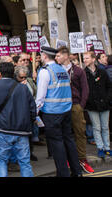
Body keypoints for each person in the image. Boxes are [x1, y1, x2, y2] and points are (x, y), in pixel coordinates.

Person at [35, 46, 82, 177]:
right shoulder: (62, 69)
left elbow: (40, 97)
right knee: (69, 141)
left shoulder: (45, 71)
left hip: (52, 113)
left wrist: (35, 112)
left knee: (57, 144)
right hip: (66, 111)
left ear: (44, 56)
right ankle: (77, 172)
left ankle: (63, 173)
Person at [0, 62, 36, 177]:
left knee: (1, 161)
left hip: (2, 129)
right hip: (22, 131)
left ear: (0, 74)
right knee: (24, 162)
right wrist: (30, 121)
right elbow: (33, 109)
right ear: (13, 74)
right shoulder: (23, 88)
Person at [55, 47, 94, 173]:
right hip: (61, 105)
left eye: (58, 56)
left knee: (79, 132)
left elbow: (85, 89)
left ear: (66, 56)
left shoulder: (78, 71)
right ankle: (68, 158)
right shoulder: (56, 70)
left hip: (75, 105)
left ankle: (82, 159)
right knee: (65, 133)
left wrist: (81, 105)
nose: (56, 58)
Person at [83, 51, 112, 158]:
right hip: (92, 106)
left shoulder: (102, 71)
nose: (84, 60)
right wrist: (87, 101)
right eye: (84, 58)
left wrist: (107, 99)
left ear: (93, 59)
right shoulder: (83, 73)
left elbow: (109, 86)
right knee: (96, 127)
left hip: (104, 104)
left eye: (87, 58)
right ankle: (100, 148)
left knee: (105, 127)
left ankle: (107, 147)